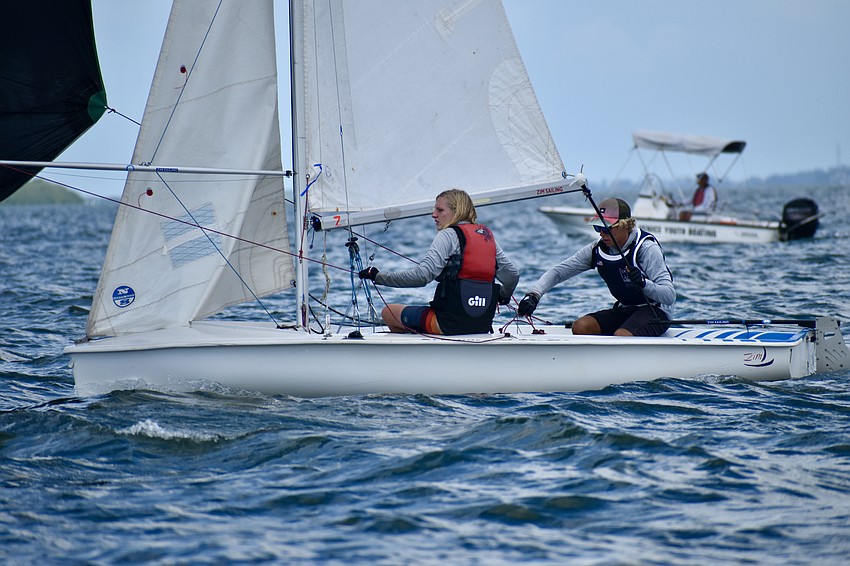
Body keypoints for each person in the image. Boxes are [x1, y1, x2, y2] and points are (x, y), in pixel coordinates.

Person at [359, 188, 519, 335]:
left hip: (447, 324)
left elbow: (422, 276)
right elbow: (512, 275)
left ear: (457, 212)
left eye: (440, 210)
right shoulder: (487, 237)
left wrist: (378, 276)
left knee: (388, 312)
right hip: (481, 324)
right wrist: (503, 296)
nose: (433, 214)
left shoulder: (448, 235)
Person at [517, 197, 675, 337]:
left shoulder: (646, 249)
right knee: (580, 327)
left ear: (625, 225)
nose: (601, 233)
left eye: (606, 228)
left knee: (622, 334)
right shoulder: (596, 250)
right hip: (625, 309)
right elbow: (559, 272)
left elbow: (669, 296)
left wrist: (643, 284)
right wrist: (534, 295)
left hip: (656, 311)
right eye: (597, 228)